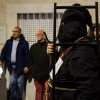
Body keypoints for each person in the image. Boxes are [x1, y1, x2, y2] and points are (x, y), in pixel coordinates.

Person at [47, 3, 100, 100]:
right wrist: (54, 55)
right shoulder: (72, 47)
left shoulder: (82, 52)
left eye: (64, 25)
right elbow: (62, 73)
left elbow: (89, 95)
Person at [0, 26, 29, 100]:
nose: (14, 33)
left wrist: (26, 66)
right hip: (11, 66)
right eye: (13, 31)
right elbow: (3, 51)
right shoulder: (9, 42)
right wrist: (1, 60)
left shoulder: (24, 43)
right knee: (12, 84)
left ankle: (18, 98)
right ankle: (10, 98)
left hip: (20, 66)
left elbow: (27, 55)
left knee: (20, 84)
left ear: (20, 33)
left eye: (16, 31)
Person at [27, 30, 50, 100]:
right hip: (36, 73)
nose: (37, 36)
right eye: (36, 35)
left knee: (47, 91)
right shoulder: (33, 47)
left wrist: (50, 70)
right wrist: (32, 68)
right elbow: (29, 59)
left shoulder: (49, 46)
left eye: (39, 34)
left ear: (44, 36)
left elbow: (53, 59)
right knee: (38, 91)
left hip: (47, 74)